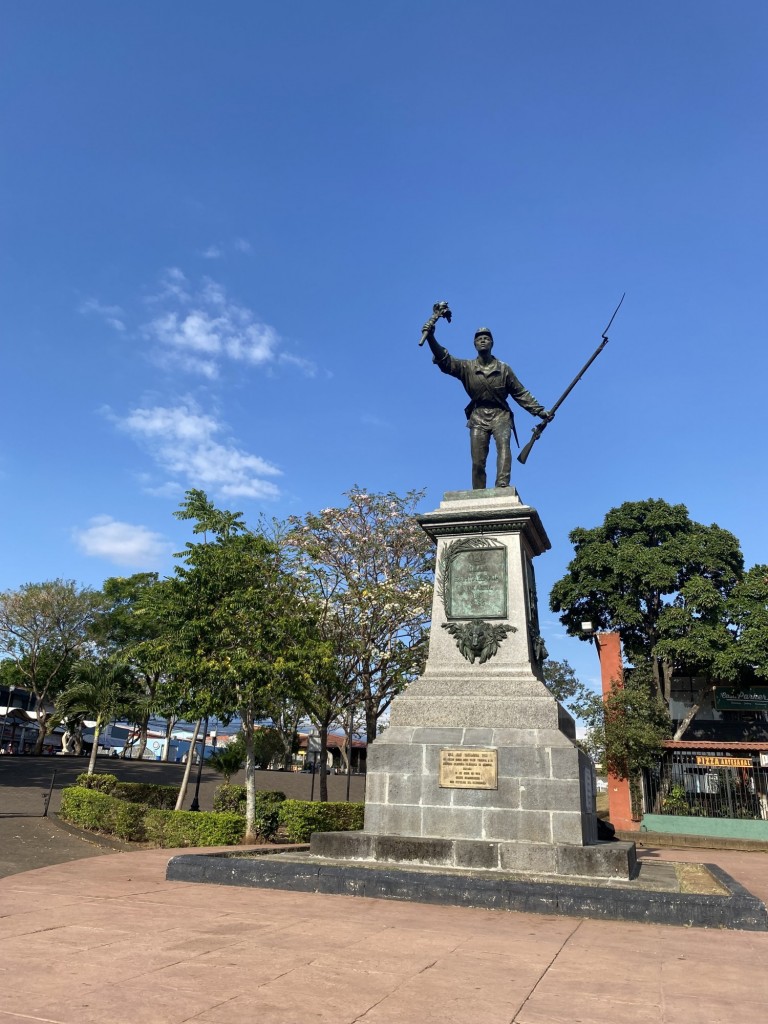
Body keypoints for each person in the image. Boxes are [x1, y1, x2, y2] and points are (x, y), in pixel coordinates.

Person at [423, 323, 553, 489]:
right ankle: (478, 492)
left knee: (504, 448)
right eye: (479, 339)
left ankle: (502, 486)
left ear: (492, 343)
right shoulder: (466, 367)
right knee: (478, 460)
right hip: (478, 416)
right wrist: (431, 338)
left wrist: (539, 411)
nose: (483, 340)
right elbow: (445, 361)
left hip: (501, 414)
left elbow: (520, 393)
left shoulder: (504, 369)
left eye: (486, 338)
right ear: (474, 344)